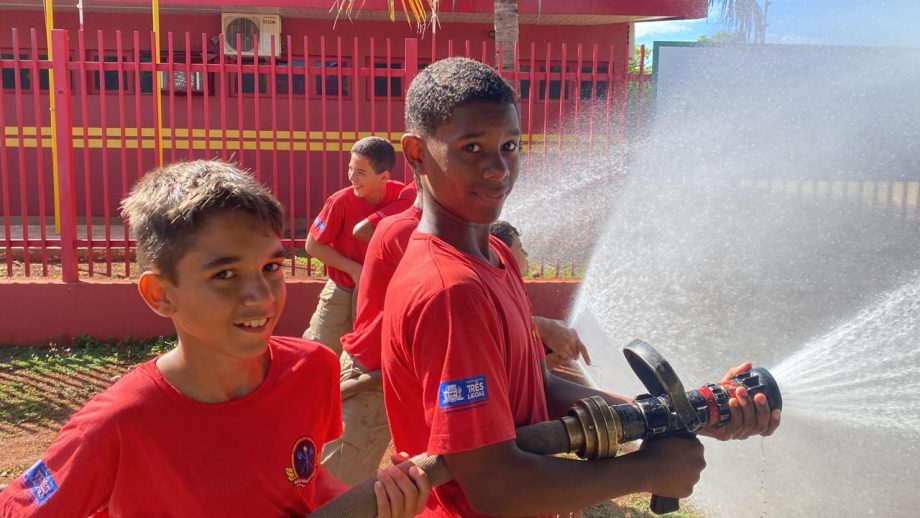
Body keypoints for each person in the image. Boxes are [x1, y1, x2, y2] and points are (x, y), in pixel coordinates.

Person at [381, 57, 781, 517]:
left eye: (509, 145)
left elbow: (538, 384)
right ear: (415, 152)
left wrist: (674, 415)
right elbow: (495, 487)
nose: (497, 168)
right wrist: (645, 471)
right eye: (472, 148)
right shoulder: (451, 290)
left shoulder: (494, 256)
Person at [0, 160, 430, 517]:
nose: (261, 297)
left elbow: (303, 478)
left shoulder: (312, 369)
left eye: (271, 268)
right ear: (160, 294)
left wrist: (370, 503)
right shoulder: (117, 425)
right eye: (225, 275)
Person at [322, 178, 424, 486]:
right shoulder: (406, 229)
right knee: (337, 489)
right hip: (373, 370)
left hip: (412, 376)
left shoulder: (462, 235)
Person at [303, 136, 405, 355]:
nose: (351, 177)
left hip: (381, 291)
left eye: (360, 173)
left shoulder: (402, 196)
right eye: (350, 169)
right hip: (343, 286)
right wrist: (353, 269)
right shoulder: (340, 201)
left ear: (384, 177)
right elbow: (312, 246)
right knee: (319, 350)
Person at [490, 220, 591, 370]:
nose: (526, 254)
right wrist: (545, 327)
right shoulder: (489, 292)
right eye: (520, 248)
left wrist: (541, 365)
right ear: (504, 253)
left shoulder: (512, 290)